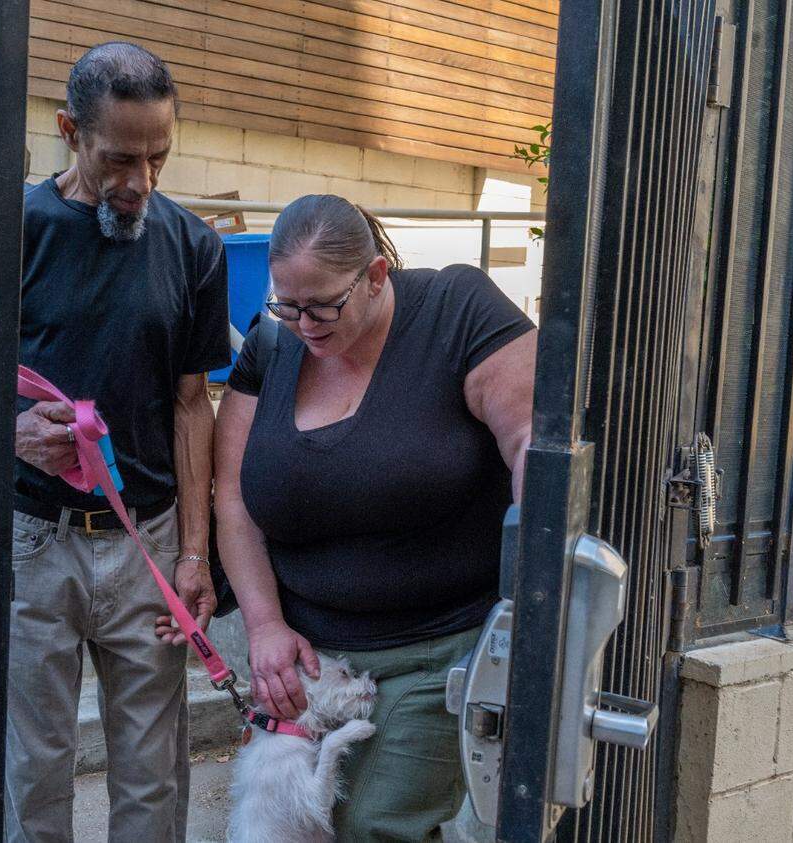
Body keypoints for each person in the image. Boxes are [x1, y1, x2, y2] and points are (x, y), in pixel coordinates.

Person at [213, 194, 537, 841]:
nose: (303, 324)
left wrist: (535, 596)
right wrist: (264, 624)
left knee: (374, 824)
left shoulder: (456, 311)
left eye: (322, 306)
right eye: (286, 305)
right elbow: (235, 497)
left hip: (436, 647)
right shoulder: (273, 343)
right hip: (311, 657)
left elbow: (534, 444)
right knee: (296, 824)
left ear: (375, 276)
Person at [7, 42, 229, 843]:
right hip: (34, 538)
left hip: (149, 540)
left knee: (153, 777)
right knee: (32, 772)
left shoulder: (194, 246)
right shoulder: (14, 229)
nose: (141, 181)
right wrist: (10, 431)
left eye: (158, 157)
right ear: (70, 131)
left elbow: (192, 404)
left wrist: (195, 553)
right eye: (119, 159)